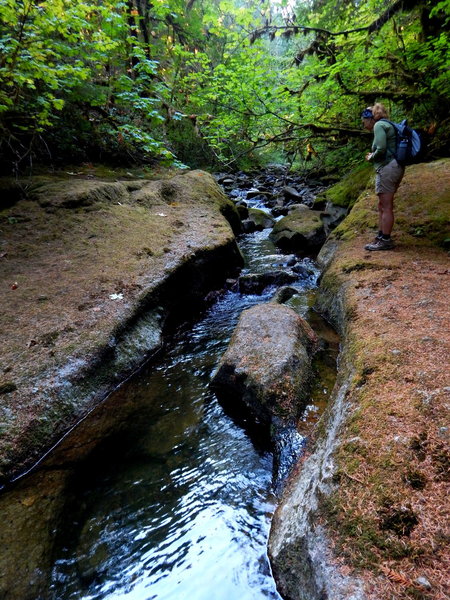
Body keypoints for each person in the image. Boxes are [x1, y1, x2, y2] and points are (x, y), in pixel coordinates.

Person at [361, 103, 405, 251]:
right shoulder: (386, 124)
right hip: (392, 167)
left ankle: (385, 240)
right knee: (382, 205)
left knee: (386, 206)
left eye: (363, 121)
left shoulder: (379, 125)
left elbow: (381, 149)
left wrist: (371, 157)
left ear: (369, 118)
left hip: (388, 167)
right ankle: (381, 236)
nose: (363, 125)